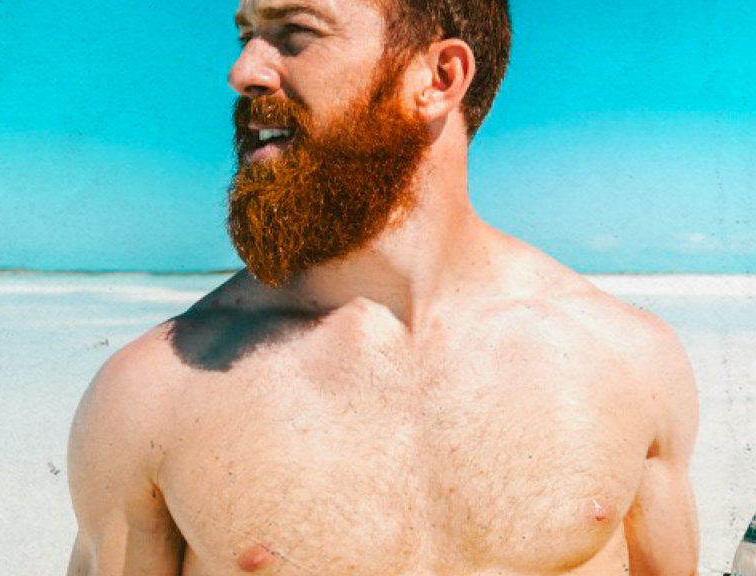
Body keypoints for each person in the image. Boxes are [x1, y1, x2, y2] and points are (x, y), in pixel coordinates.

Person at [66, 0, 701, 574]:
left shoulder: (627, 360)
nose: (244, 72)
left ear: (439, 78)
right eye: (246, 36)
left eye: (295, 33)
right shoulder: (155, 391)